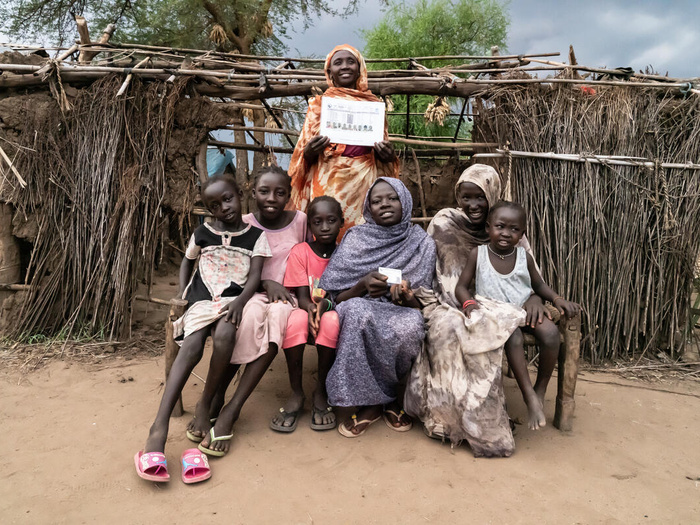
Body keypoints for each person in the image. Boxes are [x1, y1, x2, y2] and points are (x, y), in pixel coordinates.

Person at [404, 164, 551, 458]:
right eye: (466, 197)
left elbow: (530, 277)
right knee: (446, 330)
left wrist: (535, 296)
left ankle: (497, 413)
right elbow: (433, 271)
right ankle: (451, 420)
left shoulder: (508, 226)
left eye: (480, 198)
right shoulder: (445, 222)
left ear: (492, 197)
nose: (472, 205)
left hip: (504, 306)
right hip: (451, 302)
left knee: (495, 329)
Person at [135, 174, 270, 482]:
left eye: (228, 199)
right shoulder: (203, 232)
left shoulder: (256, 237)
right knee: (192, 346)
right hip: (201, 298)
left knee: (225, 335)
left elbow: (255, 277)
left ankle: (205, 404)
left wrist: (239, 303)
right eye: (215, 205)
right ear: (209, 211)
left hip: (234, 300)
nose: (224, 208)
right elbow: (187, 262)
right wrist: (184, 293)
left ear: (239, 194)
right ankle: (159, 426)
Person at [190, 166, 307, 457]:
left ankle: (232, 409)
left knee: (277, 321)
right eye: (264, 191)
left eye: (280, 192)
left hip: (288, 295)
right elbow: (229, 263)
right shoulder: (242, 221)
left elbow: (306, 258)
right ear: (252, 193)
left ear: (289, 196)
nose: (271, 198)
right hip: (249, 293)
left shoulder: (300, 221)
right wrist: (265, 283)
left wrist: (293, 290)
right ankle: (217, 397)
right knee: (250, 318)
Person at [319, 177, 436, 438]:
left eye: (392, 198)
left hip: (401, 309)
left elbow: (422, 302)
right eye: (376, 200)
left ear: (405, 202)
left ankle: (388, 396)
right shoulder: (356, 238)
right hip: (358, 303)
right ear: (367, 208)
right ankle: (374, 404)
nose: (384, 204)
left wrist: (405, 296)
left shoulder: (421, 243)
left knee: (411, 325)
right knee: (359, 315)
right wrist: (361, 286)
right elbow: (335, 296)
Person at [455, 201, 580, 430]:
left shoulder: (524, 257)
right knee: (514, 338)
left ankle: (540, 388)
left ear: (522, 234)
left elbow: (538, 285)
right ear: (488, 227)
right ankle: (528, 395)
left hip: (523, 310)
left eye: (514, 230)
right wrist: (469, 303)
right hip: (497, 316)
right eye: (500, 226)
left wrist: (557, 299)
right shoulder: (478, 254)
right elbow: (461, 287)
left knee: (551, 334)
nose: (506, 233)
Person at [288, 44, 399, 239]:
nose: (345, 66)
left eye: (351, 62)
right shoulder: (319, 106)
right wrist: (309, 152)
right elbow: (301, 154)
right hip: (327, 181)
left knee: (362, 236)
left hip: (363, 183)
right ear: (330, 71)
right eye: (338, 63)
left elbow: (383, 156)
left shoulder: (374, 107)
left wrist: (387, 156)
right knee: (326, 232)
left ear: (360, 68)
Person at [270, 196, 344, 432]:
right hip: (306, 306)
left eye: (331, 220)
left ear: (342, 222)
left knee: (331, 322)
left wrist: (324, 309)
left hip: (333, 308)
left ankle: (320, 389)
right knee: (296, 320)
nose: (324, 227)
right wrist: (311, 308)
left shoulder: (345, 254)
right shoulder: (301, 251)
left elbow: (340, 295)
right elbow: (302, 297)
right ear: (309, 225)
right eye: (317, 222)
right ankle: (296, 391)